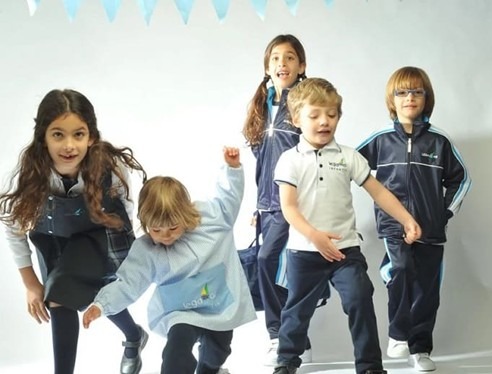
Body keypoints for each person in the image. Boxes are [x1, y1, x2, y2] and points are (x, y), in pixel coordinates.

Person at [272, 77, 423, 374]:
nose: (324, 122)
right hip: (305, 251)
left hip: (345, 251)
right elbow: (288, 207)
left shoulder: (348, 156)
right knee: (296, 311)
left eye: (331, 115)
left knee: (359, 298)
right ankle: (287, 361)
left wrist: (407, 219)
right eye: (314, 115)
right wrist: (315, 236)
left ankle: (369, 366)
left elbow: (379, 192)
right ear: (296, 119)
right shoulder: (289, 161)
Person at [0, 89, 148, 374]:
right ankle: (134, 336)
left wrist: (126, 258)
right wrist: (30, 284)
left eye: (78, 134)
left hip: (98, 236)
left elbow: (126, 211)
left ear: (91, 136)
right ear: (43, 136)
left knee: (61, 294)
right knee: (87, 293)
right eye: (58, 134)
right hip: (54, 240)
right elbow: (13, 228)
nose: (69, 145)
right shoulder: (29, 173)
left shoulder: (112, 167)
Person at [82, 146, 257, 374]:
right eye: (156, 230)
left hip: (217, 306)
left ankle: (210, 370)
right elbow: (128, 282)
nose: (166, 236)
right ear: (145, 225)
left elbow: (228, 200)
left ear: (185, 214)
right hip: (180, 312)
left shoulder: (213, 221)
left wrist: (232, 170)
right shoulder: (147, 250)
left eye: (173, 227)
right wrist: (101, 305)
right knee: (176, 352)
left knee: (218, 352)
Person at [357, 66, 472, 372]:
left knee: (426, 289)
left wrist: (443, 212)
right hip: (394, 226)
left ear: (426, 98)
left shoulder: (439, 141)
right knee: (401, 268)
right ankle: (398, 333)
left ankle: (419, 348)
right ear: (392, 100)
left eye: (416, 91)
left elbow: (461, 180)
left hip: (431, 229)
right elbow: (347, 167)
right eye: (402, 92)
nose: (410, 98)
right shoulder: (380, 140)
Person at [242, 34, 313, 366]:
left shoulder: (305, 104)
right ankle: (292, 335)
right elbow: (262, 162)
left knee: (271, 262)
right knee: (276, 266)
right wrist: (257, 206)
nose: (281, 64)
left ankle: (279, 334)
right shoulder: (262, 105)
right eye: (275, 58)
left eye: (289, 58)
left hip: (294, 202)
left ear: (301, 66)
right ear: (266, 66)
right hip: (267, 204)